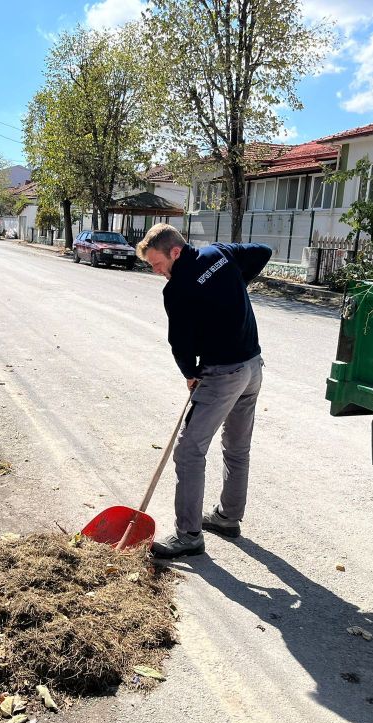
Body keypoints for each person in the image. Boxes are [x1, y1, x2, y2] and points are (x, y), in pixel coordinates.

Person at [136, 223, 272, 558]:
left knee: (188, 451)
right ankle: (227, 518)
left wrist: (190, 373)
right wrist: (235, 284)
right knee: (237, 447)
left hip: (222, 374)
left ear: (176, 251)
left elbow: (179, 343)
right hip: (252, 367)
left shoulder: (177, 289)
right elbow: (263, 252)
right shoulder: (220, 253)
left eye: (158, 264)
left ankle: (189, 536)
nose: (157, 272)